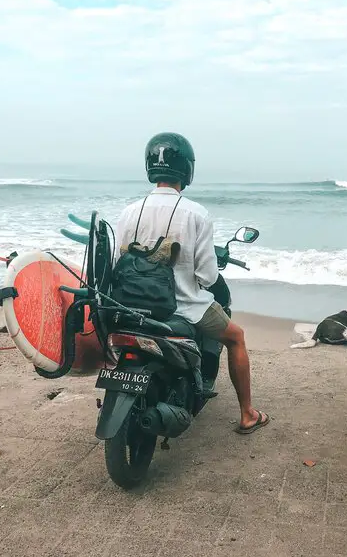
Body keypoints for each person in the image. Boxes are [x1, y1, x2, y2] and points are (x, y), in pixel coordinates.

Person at [114, 132, 269, 434]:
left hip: (130, 307)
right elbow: (208, 277)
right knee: (236, 337)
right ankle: (248, 414)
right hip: (183, 308)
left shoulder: (129, 212)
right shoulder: (196, 214)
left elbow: (115, 261)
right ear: (187, 169)